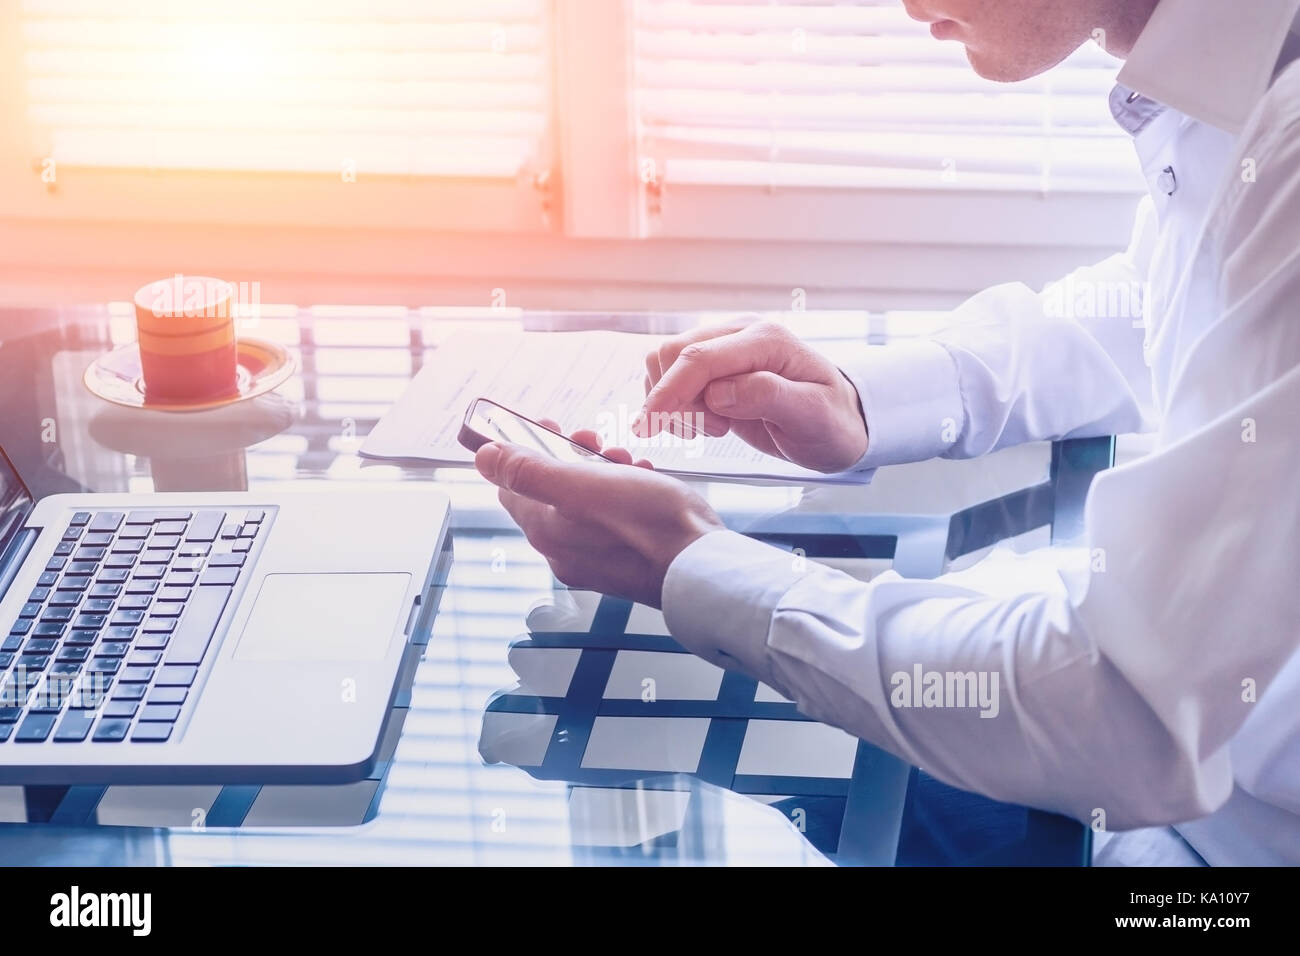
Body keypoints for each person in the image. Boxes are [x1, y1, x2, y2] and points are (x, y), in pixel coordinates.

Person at [474, 0, 1300, 866]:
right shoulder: (1236, 74)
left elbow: (1127, 708)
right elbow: (1164, 300)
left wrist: (690, 564)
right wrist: (863, 400)